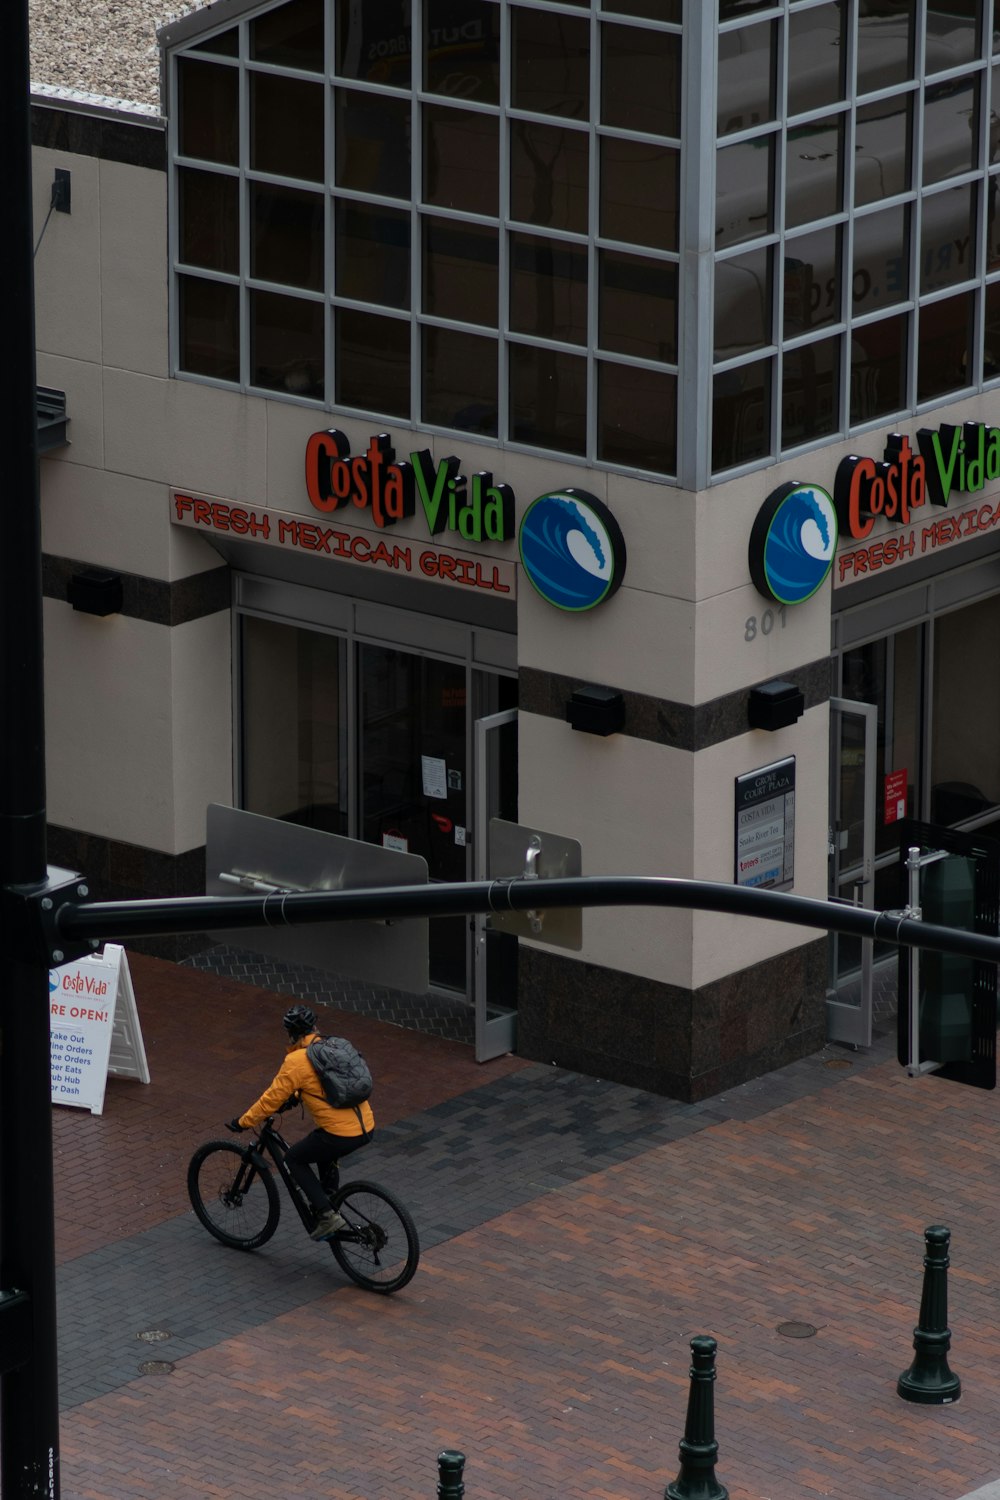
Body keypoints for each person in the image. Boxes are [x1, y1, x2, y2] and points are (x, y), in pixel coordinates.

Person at [228, 1004, 375, 1241]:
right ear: (314, 1027)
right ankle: (330, 1199)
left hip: (340, 1134)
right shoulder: (332, 1046)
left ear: (291, 1034)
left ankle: (327, 1216)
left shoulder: (296, 1060)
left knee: (294, 1158)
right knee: (323, 1148)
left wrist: (243, 1122)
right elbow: (324, 1083)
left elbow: (270, 1100)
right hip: (366, 1126)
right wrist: (296, 1096)